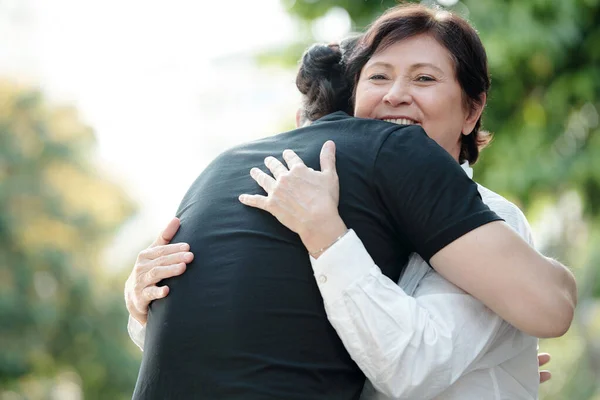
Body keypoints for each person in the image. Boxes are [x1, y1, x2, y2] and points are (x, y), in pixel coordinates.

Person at [127, 5, 576, 400]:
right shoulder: (323, 200)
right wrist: (145, 302)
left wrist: (330, 238)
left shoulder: (489, 216)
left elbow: (412, 367)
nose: (396, 93)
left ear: (472, 110)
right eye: (378, 76)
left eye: (424, 78)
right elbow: (262, 337)